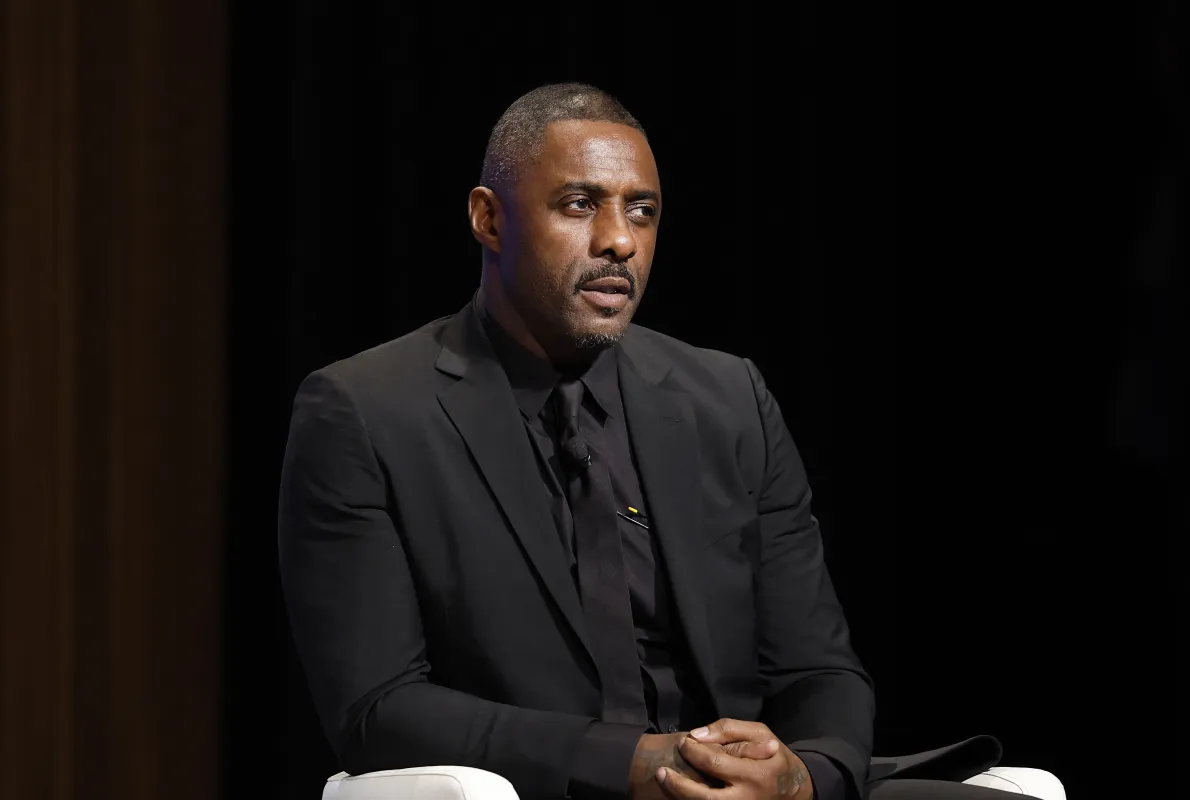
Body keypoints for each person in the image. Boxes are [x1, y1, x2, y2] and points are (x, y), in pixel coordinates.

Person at [278, 83, 1063, 800]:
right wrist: (630, 763)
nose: (620, 241)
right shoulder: (366, 412)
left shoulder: (728, 399)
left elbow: (819, 669)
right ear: (489, 218)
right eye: (580, 204)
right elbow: (378, 708)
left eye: (643, 210)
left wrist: (802, 776)